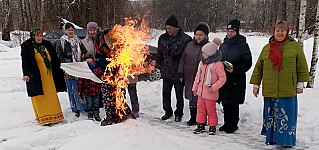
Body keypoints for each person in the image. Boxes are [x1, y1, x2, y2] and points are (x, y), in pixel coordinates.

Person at [250, 20, 309, 147]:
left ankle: (286, 141)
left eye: (283, 31)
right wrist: (256, 85)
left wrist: (300, 84)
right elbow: (259, 67)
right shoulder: (267, 48)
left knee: (286, 115)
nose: (280, 33)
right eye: (278, 31)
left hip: (287, 88)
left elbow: (302, 66)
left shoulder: (295, 47)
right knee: (271, 114)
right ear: (274, 32)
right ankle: (271, 138)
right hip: (270, 88)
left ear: (287, 32)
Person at [21, 28, 66, 126]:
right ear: (33, 36)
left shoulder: (46, 45)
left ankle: (54, 116)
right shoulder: (28, 46)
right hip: (37, 76)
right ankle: (44, 117)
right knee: (40, 97)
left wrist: (61, 71)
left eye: (41, 35)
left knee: (50, 96)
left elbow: (55, 60)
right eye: (37, 36)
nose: (39, 38)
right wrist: (26, 74)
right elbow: (26, 62)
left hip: (48, 76)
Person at [218, 19, 252, 133]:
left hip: (236, 78)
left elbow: (248, 63)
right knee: (225, 102)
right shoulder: (223, 45)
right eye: (228, 31)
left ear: (236, 32)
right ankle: (226, 123)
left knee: (233, 103)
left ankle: (233, 124)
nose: (229, 33)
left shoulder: (243, 45)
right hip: (224, 78)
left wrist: (235, 70)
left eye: (232, 31)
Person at [157, 15, 192, 122]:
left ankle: (179, 113)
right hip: (166, 71)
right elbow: (159, 54)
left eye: (170, 28)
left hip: (178, 73)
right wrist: (160, 66)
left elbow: (187, 57)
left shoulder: (185, 39)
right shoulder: (162, 38)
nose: (168, 30)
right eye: (166, 28)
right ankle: (167, 111)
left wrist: (183, 72)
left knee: (178, 94)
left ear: (176, 28)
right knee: (166, 93)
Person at [178, 22, 212, 126]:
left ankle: (201, 119)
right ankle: (193, 117)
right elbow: (183, 59)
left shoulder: (209, 46)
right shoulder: (189, 45)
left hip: (202, 78)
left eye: (200, 35)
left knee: (201, 99)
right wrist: (180, 73)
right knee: (191, 98)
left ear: (206, 36)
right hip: (189, 76)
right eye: (196, 34)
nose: (198, 37)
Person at [192, 41, 226, 135]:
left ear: (210, 54)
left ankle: (212, 126)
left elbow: (222, 78)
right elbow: (198, 76)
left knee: (211, 110)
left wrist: (214, 87)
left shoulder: (217, 64)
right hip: (201, 92)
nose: (202, 54)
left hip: (210, 93)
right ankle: (200, 125)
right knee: (200, 109)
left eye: (204, 53)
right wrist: (195, 88)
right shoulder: (202, 63)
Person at [56, 23, 87, 117]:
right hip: (68, 68)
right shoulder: (61, 42)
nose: (70, 31)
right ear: (65, 31)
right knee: (71, 88)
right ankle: (74, 108)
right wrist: (63, 70)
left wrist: (85, 57)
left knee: (79, 87)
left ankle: (81, 106)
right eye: (68, 30)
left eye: (72, 30)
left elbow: (84, 52)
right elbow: (59, 57)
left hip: (79, 68)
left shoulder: (78, 41)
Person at [77, 54, 102, 121]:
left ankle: (97, 114)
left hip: (96, 91)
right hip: (87, 91)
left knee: (96, 103)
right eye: (88, 62)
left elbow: (100, 79)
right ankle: (90, 114)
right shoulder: (84, 72)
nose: (90, 63)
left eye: (91, 61)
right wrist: (80, 91)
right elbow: (80, 81)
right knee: (89, 104)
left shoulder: (96, 70)